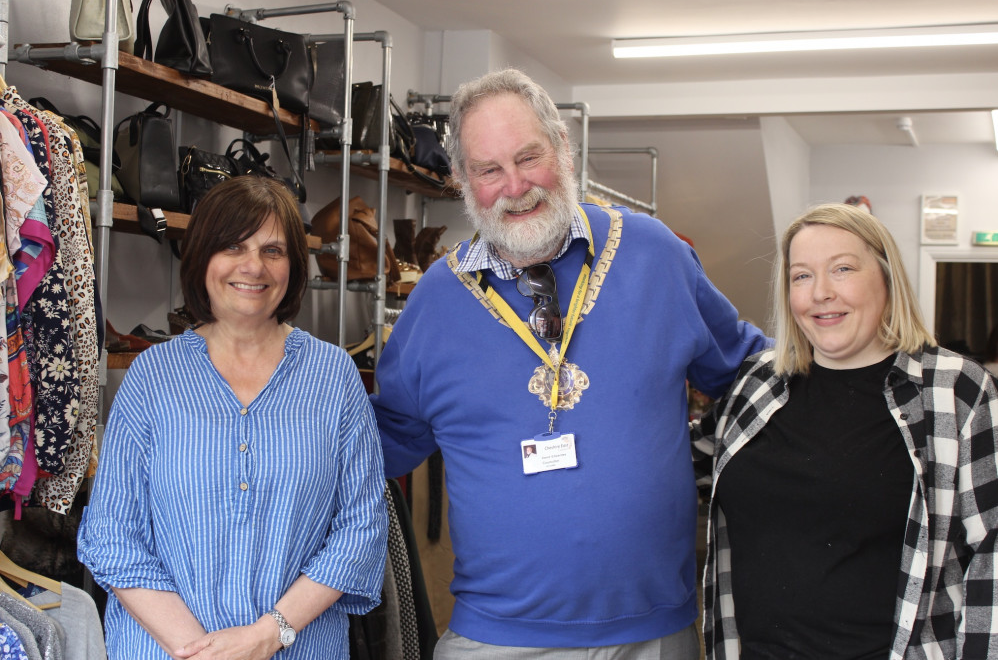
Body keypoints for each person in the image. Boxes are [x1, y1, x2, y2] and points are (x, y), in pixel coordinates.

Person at [371, 67, 769, 657]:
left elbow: (750, 378)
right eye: (488, 169)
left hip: (655, 634)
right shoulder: (434, 300)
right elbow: (387, 440)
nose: (515, 185)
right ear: (461, 180)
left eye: (529, 157)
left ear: (563, 147)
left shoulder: (658, 255)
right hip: (497, 639)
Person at [77, 176, 389, 659]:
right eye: (233, 247)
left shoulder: (334, 376)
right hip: (165, 650)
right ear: (202, 257)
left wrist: (269, 633)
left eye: (273, 250)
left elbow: (362, 529)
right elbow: (112, 536)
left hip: (297, 646)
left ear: (293, 266)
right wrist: (198, 649)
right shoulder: (152, 377)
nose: (253, 267)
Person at [692, 203, 998, 659]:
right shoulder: (755, 383)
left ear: (886, 278)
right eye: (801, 276)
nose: (820, 293)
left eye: (842, 269)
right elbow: (689, 465)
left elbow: (990, 554)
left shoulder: (953, 390)